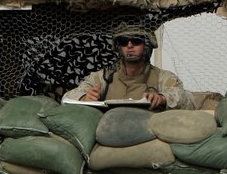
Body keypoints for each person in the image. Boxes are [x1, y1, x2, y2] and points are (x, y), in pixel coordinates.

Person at [62, 26, 195, 111]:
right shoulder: (102, 78)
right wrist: (85, 97)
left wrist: (163, 98)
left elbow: (188, 101)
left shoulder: (163, 78)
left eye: (136, 40)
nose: (129, 45)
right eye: (124, 41)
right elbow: (67, 98)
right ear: (119, 47)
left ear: (146, 45)